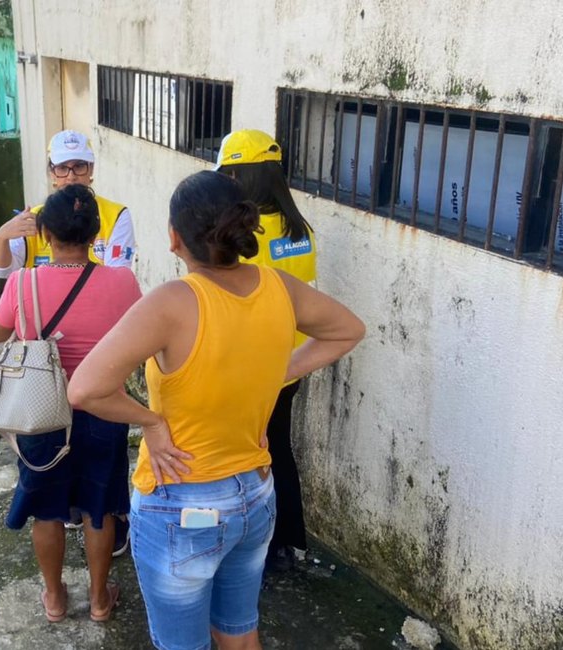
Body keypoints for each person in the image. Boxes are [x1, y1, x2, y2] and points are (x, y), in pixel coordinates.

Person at [68, 171, 365, 650]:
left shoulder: (172, 302)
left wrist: (151, 421)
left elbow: (84, 389)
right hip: (255, 497)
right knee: (240, 636)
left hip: (182, 505)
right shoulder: (279, 287)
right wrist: (275, 373)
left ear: (173, 238)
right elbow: (347, 329)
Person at [0, 184, 141, 623]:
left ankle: (54, 598)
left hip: (40, 412)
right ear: (96, 235)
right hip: (104, 408)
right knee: (99, 508)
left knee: (47, 509)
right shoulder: (122, 281)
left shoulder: (22, 283)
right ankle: (97, 600)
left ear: (44, 234)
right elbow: (140, 341)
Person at [215, 129, 317, 571]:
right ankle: (289, 541)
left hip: (252, 369)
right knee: (279, 448)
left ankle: (258, 544)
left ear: (241, 175)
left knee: (250, 456)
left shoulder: (245, 234)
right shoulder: (299, 228)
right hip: (291, 364)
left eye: (228, 175)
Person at [0, 130, 136, 278]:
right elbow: (2, 271)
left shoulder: (116, 216)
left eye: (79, 166)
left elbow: (118, 276)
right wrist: (2, 236)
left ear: (91, 168)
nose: (71, 177)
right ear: (52, 172)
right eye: (62, 168)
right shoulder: (32, 218)